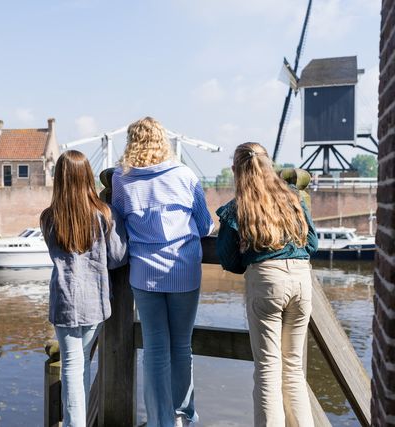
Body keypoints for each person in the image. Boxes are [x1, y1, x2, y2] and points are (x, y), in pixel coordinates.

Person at [111, 117, 213, 427]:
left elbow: (118, 222)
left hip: (144, 275)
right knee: (181, 345)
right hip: (184, 271)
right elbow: (206, 224)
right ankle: (182, 414)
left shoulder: (120, 179)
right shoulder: (184, 175)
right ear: (162, 141)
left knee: (155, 348)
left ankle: (159, 421)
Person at [216, 142, 318, 427]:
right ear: (269, 165)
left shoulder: (238, 208)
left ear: (237, 171)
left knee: (268, 369)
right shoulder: (293, 197)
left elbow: (228, 259)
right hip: (300, 279)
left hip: (266, 281)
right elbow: (313, 244)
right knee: (294, 369)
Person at [40, 150, 128, 427]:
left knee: (70, 366)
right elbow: (117, 257)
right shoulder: (103, 213)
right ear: (87, 177)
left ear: (59, 180)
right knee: (83, 365)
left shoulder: (48, 217)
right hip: (95, 301)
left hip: (64, 301)